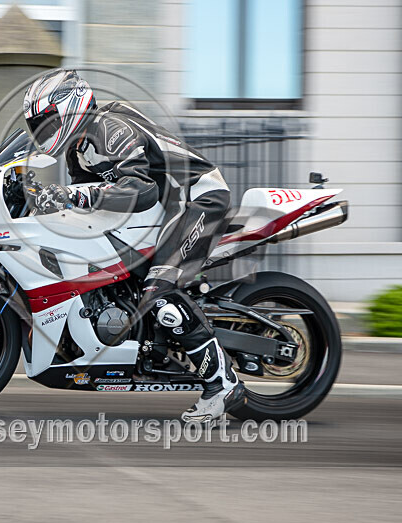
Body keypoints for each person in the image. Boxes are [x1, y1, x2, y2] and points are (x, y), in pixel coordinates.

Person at [22, 69, 246, 422]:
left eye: (46, 123)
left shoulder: (109, 127)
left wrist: (71, 195)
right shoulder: (77, 150)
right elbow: (97, 206)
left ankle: (222, 384)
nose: (42, 134)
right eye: (37, 128)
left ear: (68, 107)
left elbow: (141, 191)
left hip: (195, 199)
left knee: (159, 290)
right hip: (161, 211)